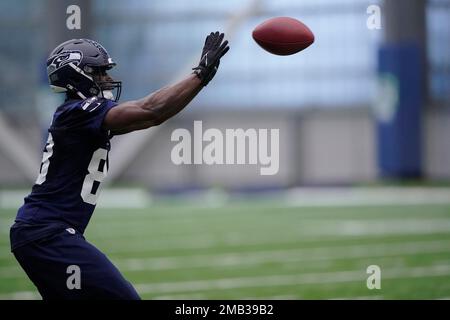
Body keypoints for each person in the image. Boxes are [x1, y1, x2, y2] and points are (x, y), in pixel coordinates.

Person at [9, 33, 229, 300]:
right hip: (47, 234)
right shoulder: (77, 112)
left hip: (43, 234)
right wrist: (200, 75)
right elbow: (152, 110)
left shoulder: (82, 116)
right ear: (76, 75)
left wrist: (198, 80)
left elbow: (150, 114)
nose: (108, 79)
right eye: (100, 73)